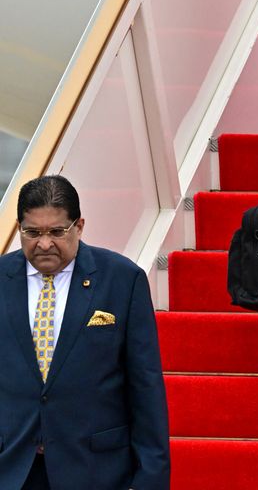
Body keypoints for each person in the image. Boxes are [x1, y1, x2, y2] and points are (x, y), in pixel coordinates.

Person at [0, 175, 170, 490]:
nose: (44, 243)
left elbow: (145, 387)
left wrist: (150, 479)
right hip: (13, 469)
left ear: (79, 226)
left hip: (95, 470)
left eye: (56, 231)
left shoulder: (122, 279)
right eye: (32, 232)